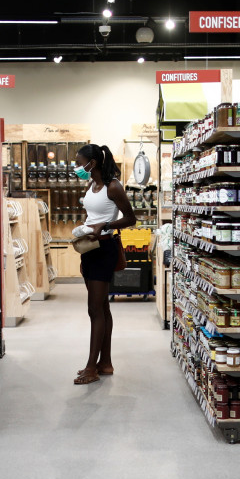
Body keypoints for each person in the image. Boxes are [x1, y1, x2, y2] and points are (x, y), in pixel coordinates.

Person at [69, 143, 137, 385]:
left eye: (80, 163)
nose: (78, 167)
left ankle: (91, 368)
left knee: (95, 310)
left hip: (104, 248)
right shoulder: (92, 185)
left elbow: (130, 218)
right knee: (101, 309)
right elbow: (93, 215)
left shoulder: (113, 186)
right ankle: (105, 363)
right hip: (89, 247)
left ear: (92, 163)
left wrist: (105, 226)